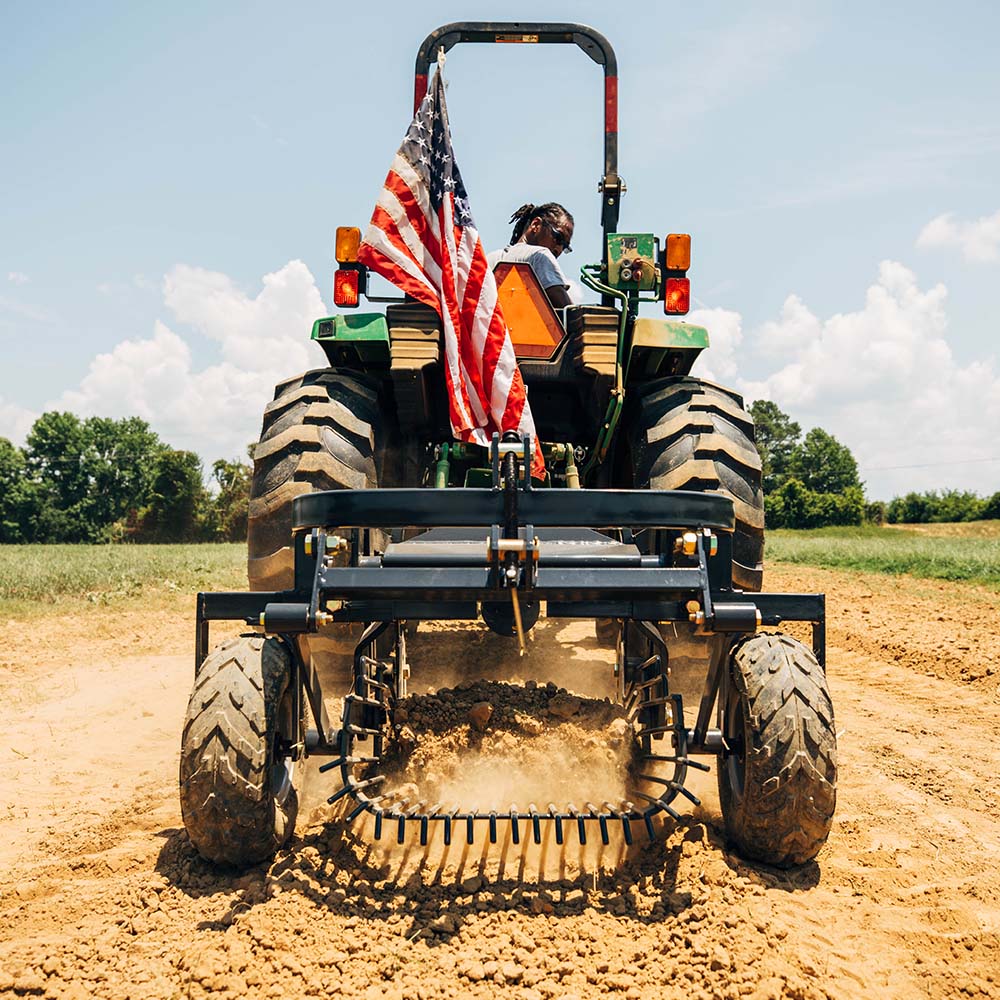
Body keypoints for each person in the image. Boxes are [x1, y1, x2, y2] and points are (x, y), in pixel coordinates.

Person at [487, 202, 575, 309]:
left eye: (565, 246)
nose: (559, 249)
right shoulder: (540, 256)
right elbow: (570, 315)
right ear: (536, 225)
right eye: (558, 238)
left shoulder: (489, 259)